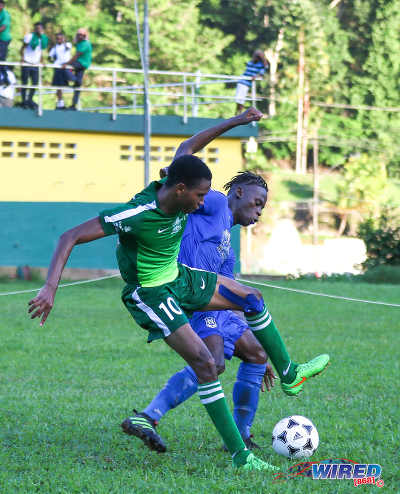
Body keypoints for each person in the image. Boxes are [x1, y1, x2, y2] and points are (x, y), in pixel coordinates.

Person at [28, 107, 329, 473]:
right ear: (182, 190)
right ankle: (239, 455)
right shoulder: (138, 213)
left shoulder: (187, 194)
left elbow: (187, 147)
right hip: (151, 293)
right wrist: (49, 288)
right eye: (200, 196)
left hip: (181, 276)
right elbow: (70, 235)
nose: (203, 203)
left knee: (252, 298)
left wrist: (237, 120)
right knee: (206, 363)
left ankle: (290, 372)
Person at [123, 172, 277, 453]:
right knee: (213, 364)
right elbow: (186, 194)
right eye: (257, 203)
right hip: (192, 297)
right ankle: (147, 416)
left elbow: (234, 296)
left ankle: (241, 434)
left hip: (216, 305)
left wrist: (250, 332)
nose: (258, 213)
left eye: (262, 208)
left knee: (256, 354)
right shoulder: (217, 202)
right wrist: (172, 177)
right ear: (239, 193)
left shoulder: (228, 243)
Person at [62, 28, 92, 110]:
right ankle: (73, 105)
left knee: (65, 68)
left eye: (82, 35)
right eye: (79, 34)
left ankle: (72, 80)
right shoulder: (80, 43)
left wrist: (66, 63)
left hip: (82, 63)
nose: (80, 36)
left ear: (85, 36)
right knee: (77, 86)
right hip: (80, 62)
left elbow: (76, 56)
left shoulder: (85, 43)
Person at [20, 22, 48, 109]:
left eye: (40, 28)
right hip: (27, 62)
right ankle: (24, 101)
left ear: (42, 29)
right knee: (24, 83)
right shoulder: (29, 37)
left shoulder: (43, 39)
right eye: (37, 28)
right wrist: (22, 58)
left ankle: (30, 100)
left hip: (35, 64)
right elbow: (22, 48)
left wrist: (42, 60)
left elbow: (40, 51)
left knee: (35, 83)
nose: (38, 30)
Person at [236, 49, 268, 114]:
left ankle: (239, 114)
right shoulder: (251, 62)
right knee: (239, 99)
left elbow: (264, 69)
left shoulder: (261, 65)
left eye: (257, 56)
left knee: (240, 99)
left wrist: (256, 76)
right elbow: (249, 66)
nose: (256, 56)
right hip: (242, 81)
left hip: (246, 83)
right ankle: (238, 113)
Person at [49, 32, 72, 110]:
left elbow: (67, 48)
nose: (59, 40)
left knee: (71, 82)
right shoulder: (55, 48)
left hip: (66, 67)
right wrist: (54, 60)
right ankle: (60, 103)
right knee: (59, 86)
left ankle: (72, 103)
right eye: (58, 38)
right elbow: (50, 56)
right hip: (58, 67)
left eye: (61, 38)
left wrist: (64, 41)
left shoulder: (68, 44)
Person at [0, 0, 11, 86]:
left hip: (3, 39)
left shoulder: (5, 14)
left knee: (1, 58)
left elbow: (3, 27)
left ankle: (6, 78)